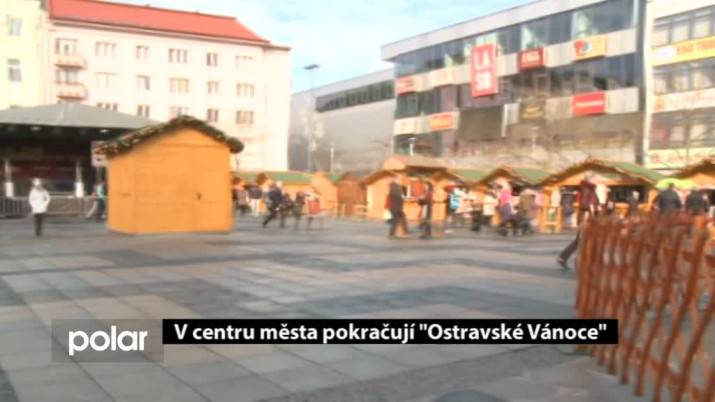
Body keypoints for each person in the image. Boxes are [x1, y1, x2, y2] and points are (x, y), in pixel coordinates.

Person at [557, 172, 598, 270]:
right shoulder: (588, 188)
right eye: (596, 178)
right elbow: (584, 203)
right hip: (587, 217)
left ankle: (565, 257)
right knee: (584, 240)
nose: (597, 180)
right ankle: (580, 261)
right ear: (591, 179)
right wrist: (591, 208)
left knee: (581, 240)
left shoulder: (589, 188)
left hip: (587, 217)